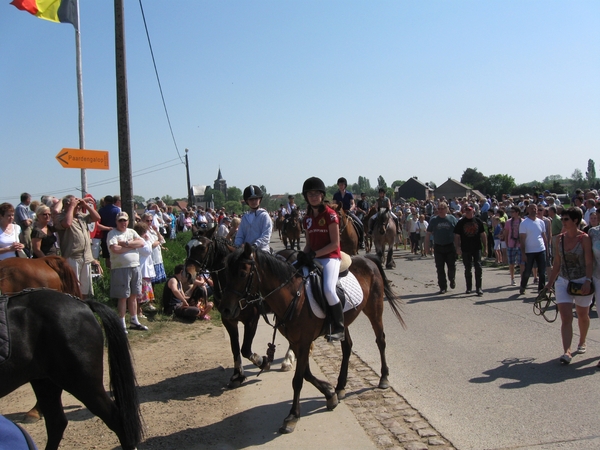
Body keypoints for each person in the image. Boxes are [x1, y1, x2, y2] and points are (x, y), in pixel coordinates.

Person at [544, 207, 594, 365]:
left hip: (581, 281)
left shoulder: (584, 238)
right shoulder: (560, 238)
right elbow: (557, 263)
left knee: (582, 315)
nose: (563, 222)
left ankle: (582, 341)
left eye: (566, 219)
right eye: (563, 219)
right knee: (565, 317)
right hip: (563, 281)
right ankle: (567, 351)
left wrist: (588, 280)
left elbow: (588, 261)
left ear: (575, 221)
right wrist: (549, 283)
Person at [300, 176, 344, 341]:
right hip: (314, 257)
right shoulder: (308, 218)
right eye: (310, 194)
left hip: (330, 258)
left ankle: (339, 327)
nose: (313, 197)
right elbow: (309, 244)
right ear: (306, 197)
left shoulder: (331, 215)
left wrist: (314, 254)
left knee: (328, 289)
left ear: (322, 195)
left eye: (316, 194)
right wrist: (303, 254)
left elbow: (334, 244)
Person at [107, 211, 148, 332]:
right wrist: (132, 246)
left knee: (134, 295)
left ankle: (134, 320)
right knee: (123, 296)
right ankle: (121, 322)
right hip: (120, 268)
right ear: (116, 222)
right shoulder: (112, 234)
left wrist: (125, 244)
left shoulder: (132, 232)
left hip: (135, 266)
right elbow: (115, 249)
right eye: (120, 220)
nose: (123, 223)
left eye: (125, 220)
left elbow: (141, 242)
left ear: (128, 221)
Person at [53, 195, 100, 298]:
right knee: (73, 287)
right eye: (76, 205)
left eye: (78, 206)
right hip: (72, 256)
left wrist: (85, 205)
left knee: (85, 288)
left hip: (86, 256)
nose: (78, 207)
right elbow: (67, 223)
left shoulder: (82, 216)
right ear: (66, 205)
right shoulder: (61, 217)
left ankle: (84, 305)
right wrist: (71, 207)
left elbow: (97, 218)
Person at [454, 204, 487, 296]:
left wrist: (486, 248)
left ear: (473, 211)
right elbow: (457, 236)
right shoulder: (461, 222)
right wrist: (458, 247)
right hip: (465, 248)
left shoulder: (478, 221)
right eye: (466, 210)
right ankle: (469, 287)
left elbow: (483, 235)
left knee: (478, 267)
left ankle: (478, 288)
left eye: (469, 210)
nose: (468, 212)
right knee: (467, 268)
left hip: (477, 247)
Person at [425, 201, 458, 294]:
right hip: (438, 247)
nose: (439, 210)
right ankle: (443, 287)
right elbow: (428, 234)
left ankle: (452, 279)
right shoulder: (434, 220)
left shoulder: (452, 219)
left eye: (442, 208)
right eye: (438, 209)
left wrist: (458, 246)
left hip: (450, 246)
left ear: (446, 209)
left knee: (451, 266)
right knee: (440, 268)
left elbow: (456, 235)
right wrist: (426, 246)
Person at [519, 203, 548, 295]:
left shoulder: (541, 222)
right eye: (531, 208)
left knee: (542, 272)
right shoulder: (524, 223)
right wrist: (523, 253)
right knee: (527, 271)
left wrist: (547, 249)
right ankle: (523, 285)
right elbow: (522, 239)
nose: (534, 210)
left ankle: (541, 289)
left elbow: (544, 236)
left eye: (535, 208)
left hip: (541, 249)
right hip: (529, 251)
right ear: (528, 210)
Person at [235, 185, 273, 253]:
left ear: (260, 200)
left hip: (262, 249)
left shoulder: (264, 216)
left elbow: (266, 235)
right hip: (246, 250)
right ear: (247, 201)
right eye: (251, 199)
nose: (254, 201)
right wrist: (237, 245)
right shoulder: (245, 217)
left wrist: (255, 245)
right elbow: (240, 235)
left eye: (256, 199)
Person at [333, 177, 365, 249]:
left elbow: (353, 204)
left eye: (342, 184)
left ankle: (361, 241)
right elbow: (334, 204)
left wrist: (350, 209)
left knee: (361, 224)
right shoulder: (336, 195)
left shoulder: (349, 194)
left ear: (345, 185)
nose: (341, 186)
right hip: (339, 213)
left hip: (348, 212)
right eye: (340, 185)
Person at [133, 221, 156, 317]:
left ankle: (140, 310)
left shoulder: (140, 240)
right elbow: (148, 251)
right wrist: (148, 240)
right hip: (142, 269)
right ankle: (138, 311)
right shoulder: (140, 241)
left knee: (142, 293)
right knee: (140, 294)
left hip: (144, 268)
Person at [97, 195, 120, 269]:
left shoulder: (101, 210)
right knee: (116, 254)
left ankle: (109, 271)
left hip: (105, 234)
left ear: (105, 202)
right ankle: (116, 268)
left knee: (107, 256)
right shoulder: (117, 210)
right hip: (115, 234)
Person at [503, 206, 525, 286]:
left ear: (517, 212)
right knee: (511, 263)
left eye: (512, 212)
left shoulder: (523, 221)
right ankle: (512, 278)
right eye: (511, 212)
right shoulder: (508, 222)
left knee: (522, 263)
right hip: (511, 244)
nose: (511, 213)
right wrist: (507, 243)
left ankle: (523, 279)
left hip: (520, 244)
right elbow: (506, 233)